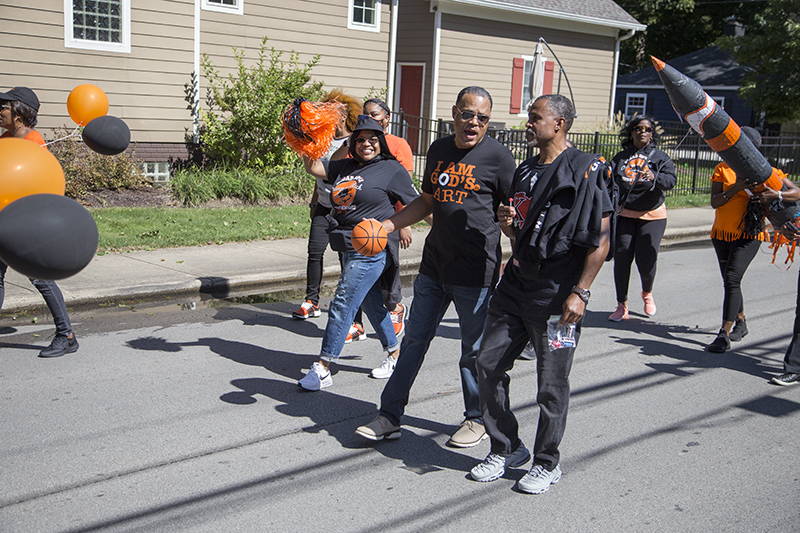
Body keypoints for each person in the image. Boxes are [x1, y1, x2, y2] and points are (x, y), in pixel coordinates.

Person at [355, 86, 517, 448]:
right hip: (434, 267)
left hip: (477, 272)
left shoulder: (500, 158)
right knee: (412, 342)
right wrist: (388, 225)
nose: (473, 122)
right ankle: (390, 416)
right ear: (454, 113)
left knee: (472, 352)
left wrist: (511, 234)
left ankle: (476, 419)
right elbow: (427, 200)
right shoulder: (440, 150)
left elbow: (513, 216)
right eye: (467, 114)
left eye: (482, 118)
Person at [470, 94, 611, 494]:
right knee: (487, 363)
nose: (527, 123)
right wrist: (508, 224)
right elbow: (520, 233)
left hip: (557, 295)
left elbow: (601, 239)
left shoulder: (587, 170)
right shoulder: (526, 170)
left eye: (535, 117)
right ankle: (506, 447)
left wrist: (580, 292)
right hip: (515, 286)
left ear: (559, 123)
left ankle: (547, 461)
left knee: (551, 383)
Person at [297, 115, 420, 390]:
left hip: (372, 250)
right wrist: (308, 140)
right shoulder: (346, 165)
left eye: (373, 139)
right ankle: (394, 354)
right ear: (353, 142)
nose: (367, 144)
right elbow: (314, 168)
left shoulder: (392, 169)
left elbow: (418, 204)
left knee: (342, 302)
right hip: (347, 247)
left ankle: (324, 367)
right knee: (372, 303)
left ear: (381, 142)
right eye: (361, 139)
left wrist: (437, 229)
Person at [0, 86, 79, 358]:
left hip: (27, 222)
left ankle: (66, 335)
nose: (0, 112)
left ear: (19, 114)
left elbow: (41, 185)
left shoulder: (33, 141)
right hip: (4, 219)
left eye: (4, 107)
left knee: (40, 278)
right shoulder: (5, 139)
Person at [707, 126, 788, 353]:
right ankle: (741, 322)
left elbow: (791, 194)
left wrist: (775, 194)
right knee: (729, 280)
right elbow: (715, 202)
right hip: (722, 232)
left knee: (732, 277)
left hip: (749, 234)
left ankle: (723, 334)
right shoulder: (723, 169)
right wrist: (737, 188)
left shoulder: (768, 173)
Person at [345, 98, 417, 346]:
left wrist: (404, 223)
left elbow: (406, 188)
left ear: (387, 117)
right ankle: (356, 324)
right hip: (359, 224)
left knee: (387, 274)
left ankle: (395, 307)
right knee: (354, 278)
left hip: (390, 219)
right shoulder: (359, 142)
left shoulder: (398, 145)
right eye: (366, 115)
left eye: (375, 115)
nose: (370, 119)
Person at [291, 89, 361, 320]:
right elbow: (318, 172)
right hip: (323, 205)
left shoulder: (354, 142)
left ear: (343, 114)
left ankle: (350, 310)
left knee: (345, 259)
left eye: (334, 109)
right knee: (314, 252)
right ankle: (311, 301)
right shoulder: (324, 139)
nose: (327, 112)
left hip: (346, 209)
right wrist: (313, 202)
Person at [608, 115, 677, 321]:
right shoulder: (621, 157)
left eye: (647, 128)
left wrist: (654, 177)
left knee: (646, 260)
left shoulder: (660, 157)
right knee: (622, 258)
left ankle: (647, 293)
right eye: (638, 128)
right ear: (631, 132)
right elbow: (610, 180)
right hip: (626, 214)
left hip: (652, 215)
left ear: (652, 133)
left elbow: (671, 181)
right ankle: (622, 305)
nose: (643, 131)